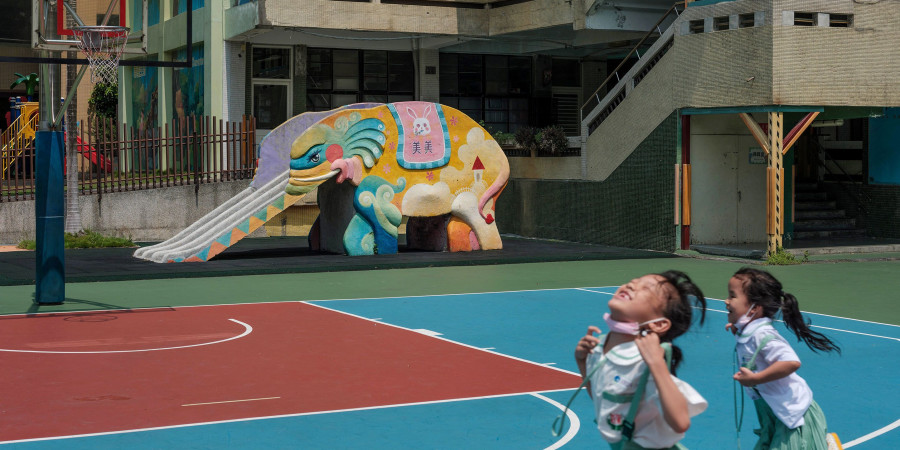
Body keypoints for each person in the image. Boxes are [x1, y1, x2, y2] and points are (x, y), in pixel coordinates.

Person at [573, 271, 708, 449]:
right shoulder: (600, 347)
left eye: (646, 289)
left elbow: (680, 422)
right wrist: (583, 362)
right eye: (632, 281)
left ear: (659, 324)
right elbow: (603, 399)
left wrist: (657, 364)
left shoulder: (645, 359)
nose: (631, 285)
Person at [725, 267, 841, 450]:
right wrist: (739, 330)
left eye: (732, 296)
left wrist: (755, 379)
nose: (727, 301)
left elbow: (791, 362)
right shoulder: (750, 332)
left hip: (793, 416)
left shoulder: (763, 334)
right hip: (774, 416)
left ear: (754, 308)